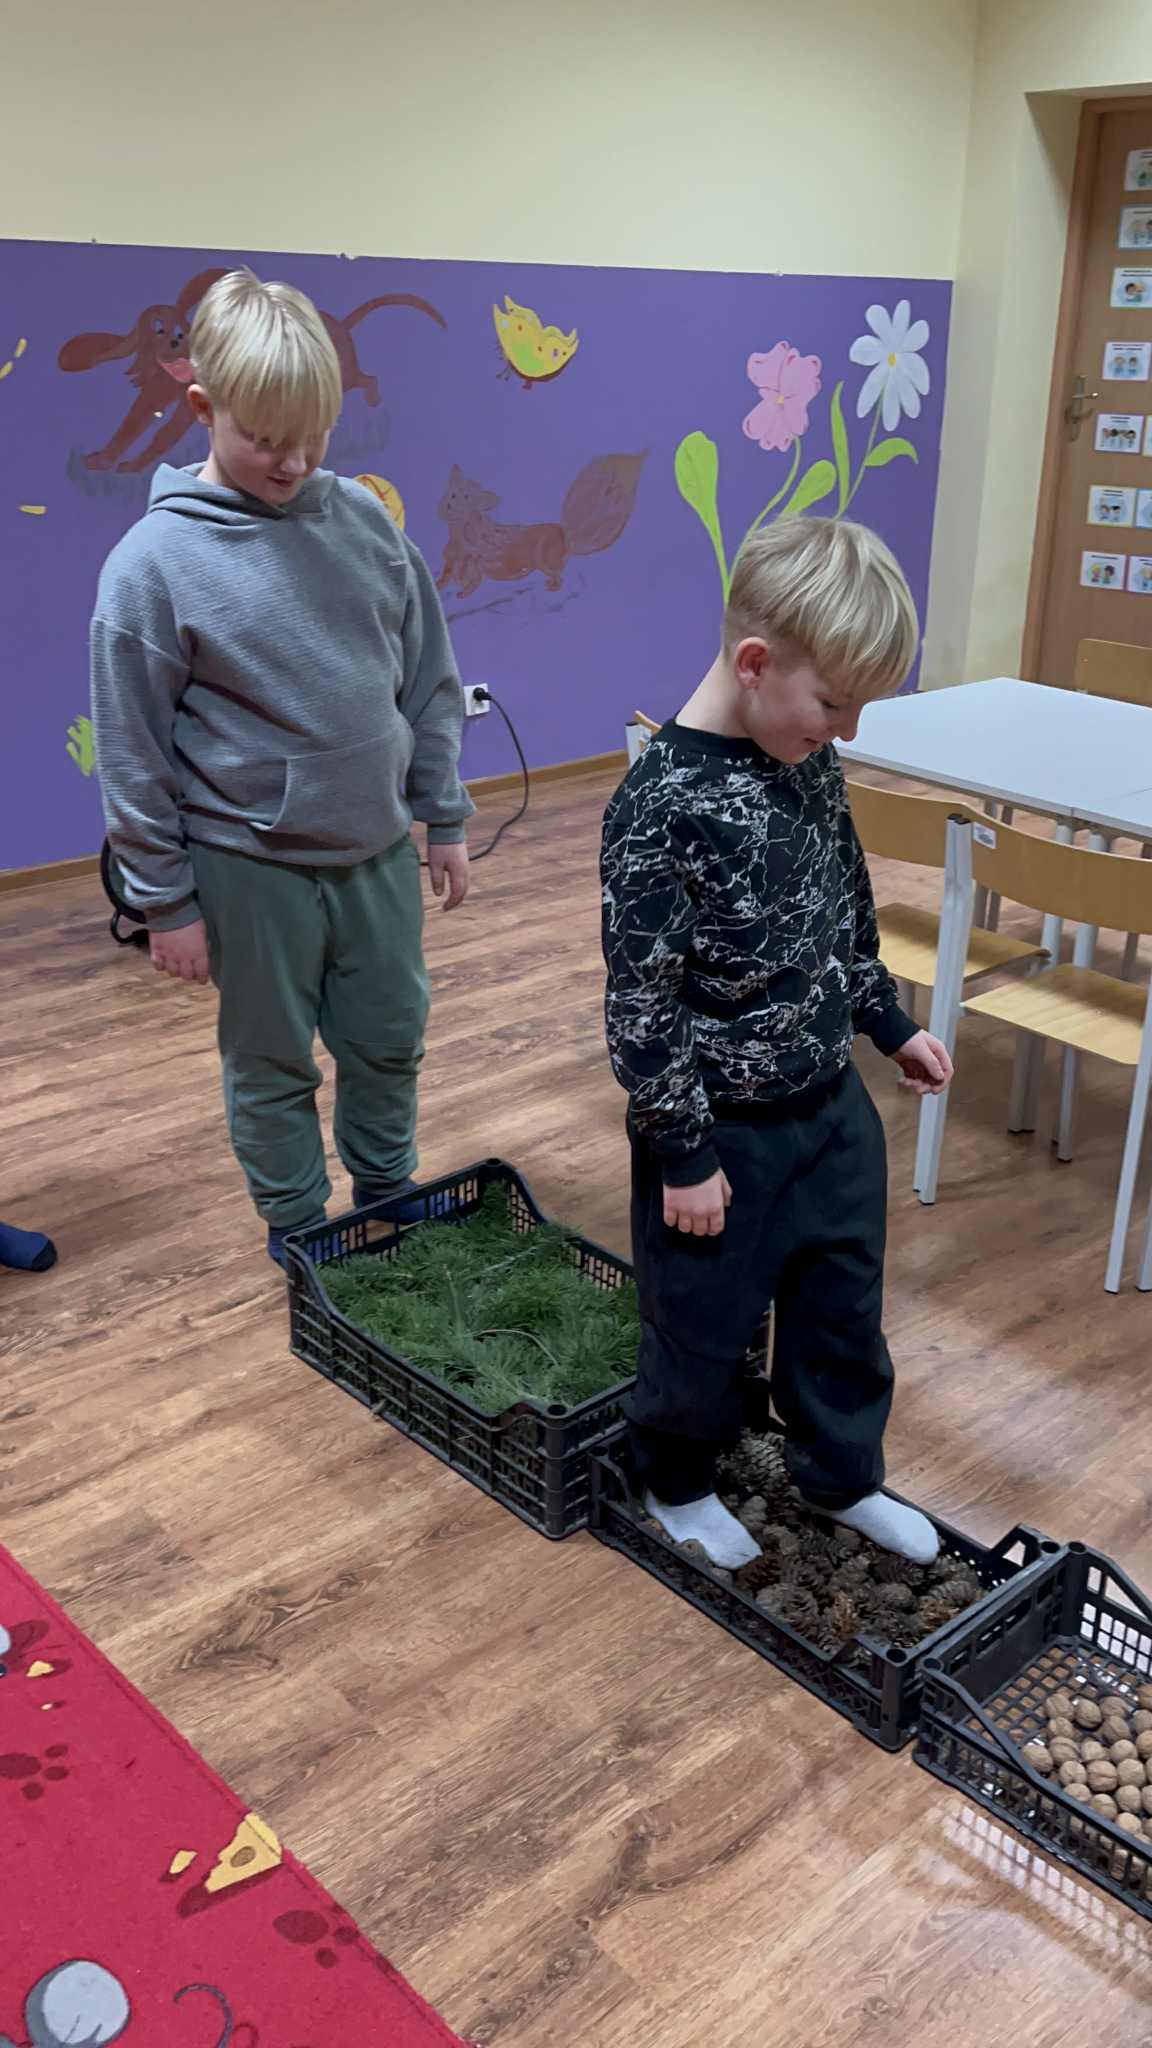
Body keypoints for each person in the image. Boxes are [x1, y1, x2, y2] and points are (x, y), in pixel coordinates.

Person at [91, 270, 472, 1264]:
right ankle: (300, 1223)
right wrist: (165, 903)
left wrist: (444, 814)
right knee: (270, 1061)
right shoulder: (151, 565)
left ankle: (385, 1187)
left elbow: (428, 678)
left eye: (314, 435)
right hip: (247, 867)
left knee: (390, 1034)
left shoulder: (368, 527)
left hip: (376, 852)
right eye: (265, 438)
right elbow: (132, 752)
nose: (294, 461)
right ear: (201, 407)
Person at [600, 516, 953, 1569]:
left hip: (828, 1106)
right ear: (754, 664)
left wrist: (888, 1021)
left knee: (843, 1307)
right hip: (721, 1133)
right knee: (702, 1322)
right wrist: (684, 1154)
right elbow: (643, 1005)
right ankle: (676, 1479)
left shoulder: (805, 759)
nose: (845, 730)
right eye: (833, 704)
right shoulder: (660, 803)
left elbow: (843, 910)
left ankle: (841, 1475)